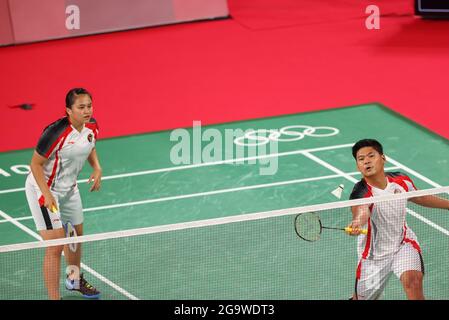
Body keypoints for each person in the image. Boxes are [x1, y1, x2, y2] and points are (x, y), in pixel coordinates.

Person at [347, 139, 449, 300]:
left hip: (403, 244)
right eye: (361, 159)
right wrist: (357, 223)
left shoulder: (401, 180)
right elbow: (361, 211)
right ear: (358, 166)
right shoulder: (360, 192)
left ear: (383, 158)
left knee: (413, 281)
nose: (366, 161)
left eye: (371, 156)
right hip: (374, 257)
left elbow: (420, 197)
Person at [25, 88, 102, 300]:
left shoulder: (92, 126)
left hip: (70, 189)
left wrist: (97, 168)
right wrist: (46, 193)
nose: (86, 111)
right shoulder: (56, 132)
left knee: (75, 237)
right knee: (55, 245)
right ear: (68, 110)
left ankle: (74, 280)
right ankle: (54, 298)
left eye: (89, 106)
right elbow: (35, 163)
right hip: (44, 190)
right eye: (81, 107)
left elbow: (90, 145)